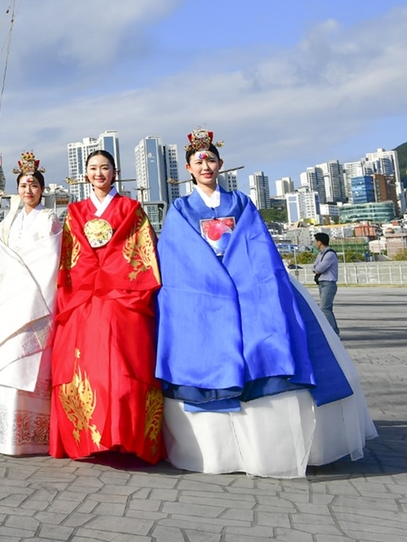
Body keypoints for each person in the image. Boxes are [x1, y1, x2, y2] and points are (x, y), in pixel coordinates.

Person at [156, 131, 375, 477]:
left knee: (274, 340)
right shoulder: (181, 208)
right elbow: (178, 253)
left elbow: (256, 245)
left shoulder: (241, 203)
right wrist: (214, 281)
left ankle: (269, 448)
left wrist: (239, 278)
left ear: (221, 164)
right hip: (204, 291)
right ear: (188, 169)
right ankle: (217, 452)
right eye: (199, 161)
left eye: (211, 159)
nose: (206, 165)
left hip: (247, 285)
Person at [49, 150, 164, 464]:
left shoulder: (131, 209)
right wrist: (94, 275)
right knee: (85, 367)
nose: (99, 173)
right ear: (85, 175)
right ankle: (89, 438)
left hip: (123, 296)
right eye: (93, 169)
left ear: (115, 172)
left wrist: (109, 275)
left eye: (105, 168)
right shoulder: (75, 211)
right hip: (85, 297)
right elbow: (70, 257)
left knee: (126, 366)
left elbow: (141, 252)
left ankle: (126, 437)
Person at [0, 153, 61, 455]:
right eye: (23, 185)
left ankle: (33, 437)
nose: (28, 190)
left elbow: (49, 263)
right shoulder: (6, 224)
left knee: (27, 367)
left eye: (33, 185)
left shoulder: (49, 220)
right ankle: (5, 437)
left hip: (33, 303)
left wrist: (25, 293)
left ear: (42, 190)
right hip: (6, 305)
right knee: (3, 367)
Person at [312, 233, 340, 334]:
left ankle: (334, 332)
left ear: (320, 242)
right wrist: (316, 269)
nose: (314, 243)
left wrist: (316, 269)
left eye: (315, 241)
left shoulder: (330, 254)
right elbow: (314, 267)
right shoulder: (320, 254)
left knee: (324, 308)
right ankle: (332, 331)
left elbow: (319, 268)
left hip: (329, 283)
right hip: (322, 283)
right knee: (327, 308)